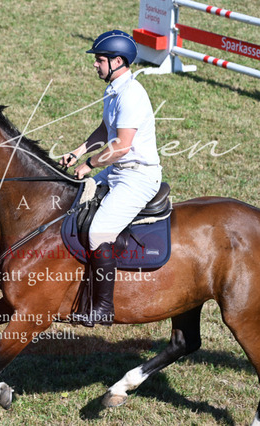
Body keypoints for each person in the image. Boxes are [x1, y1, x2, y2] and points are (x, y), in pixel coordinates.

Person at [59, 30, 161, 326]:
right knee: (73, 202)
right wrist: (78, 152)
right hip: (118, 171)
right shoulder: (115, 89)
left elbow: (122, 146)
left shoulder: (131, 95)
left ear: (117, 62)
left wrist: (89, 164)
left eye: (100, 59)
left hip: (137, 177)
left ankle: (103, 307)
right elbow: (106, 130)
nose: (95, 64)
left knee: (99, 232)